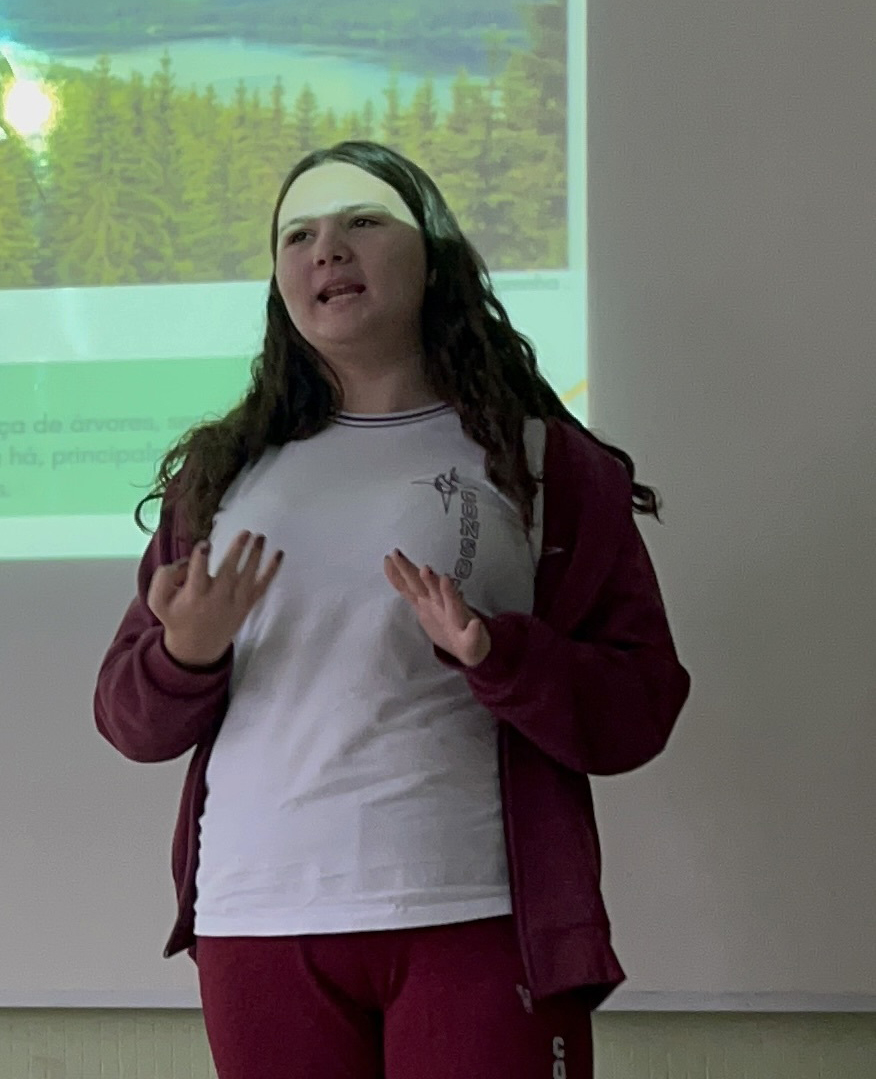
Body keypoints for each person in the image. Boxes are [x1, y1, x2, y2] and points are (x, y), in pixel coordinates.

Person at [93, 140, 689, 1079]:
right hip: (259, 915)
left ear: (435, 260)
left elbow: (639, 707)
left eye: (363, 222)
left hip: (476, 908)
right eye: (299, 235)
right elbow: (130, 721)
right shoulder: (223, 473)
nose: (327, 248)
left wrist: (499, 656)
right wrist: (186, 656)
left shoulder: (547, 464)